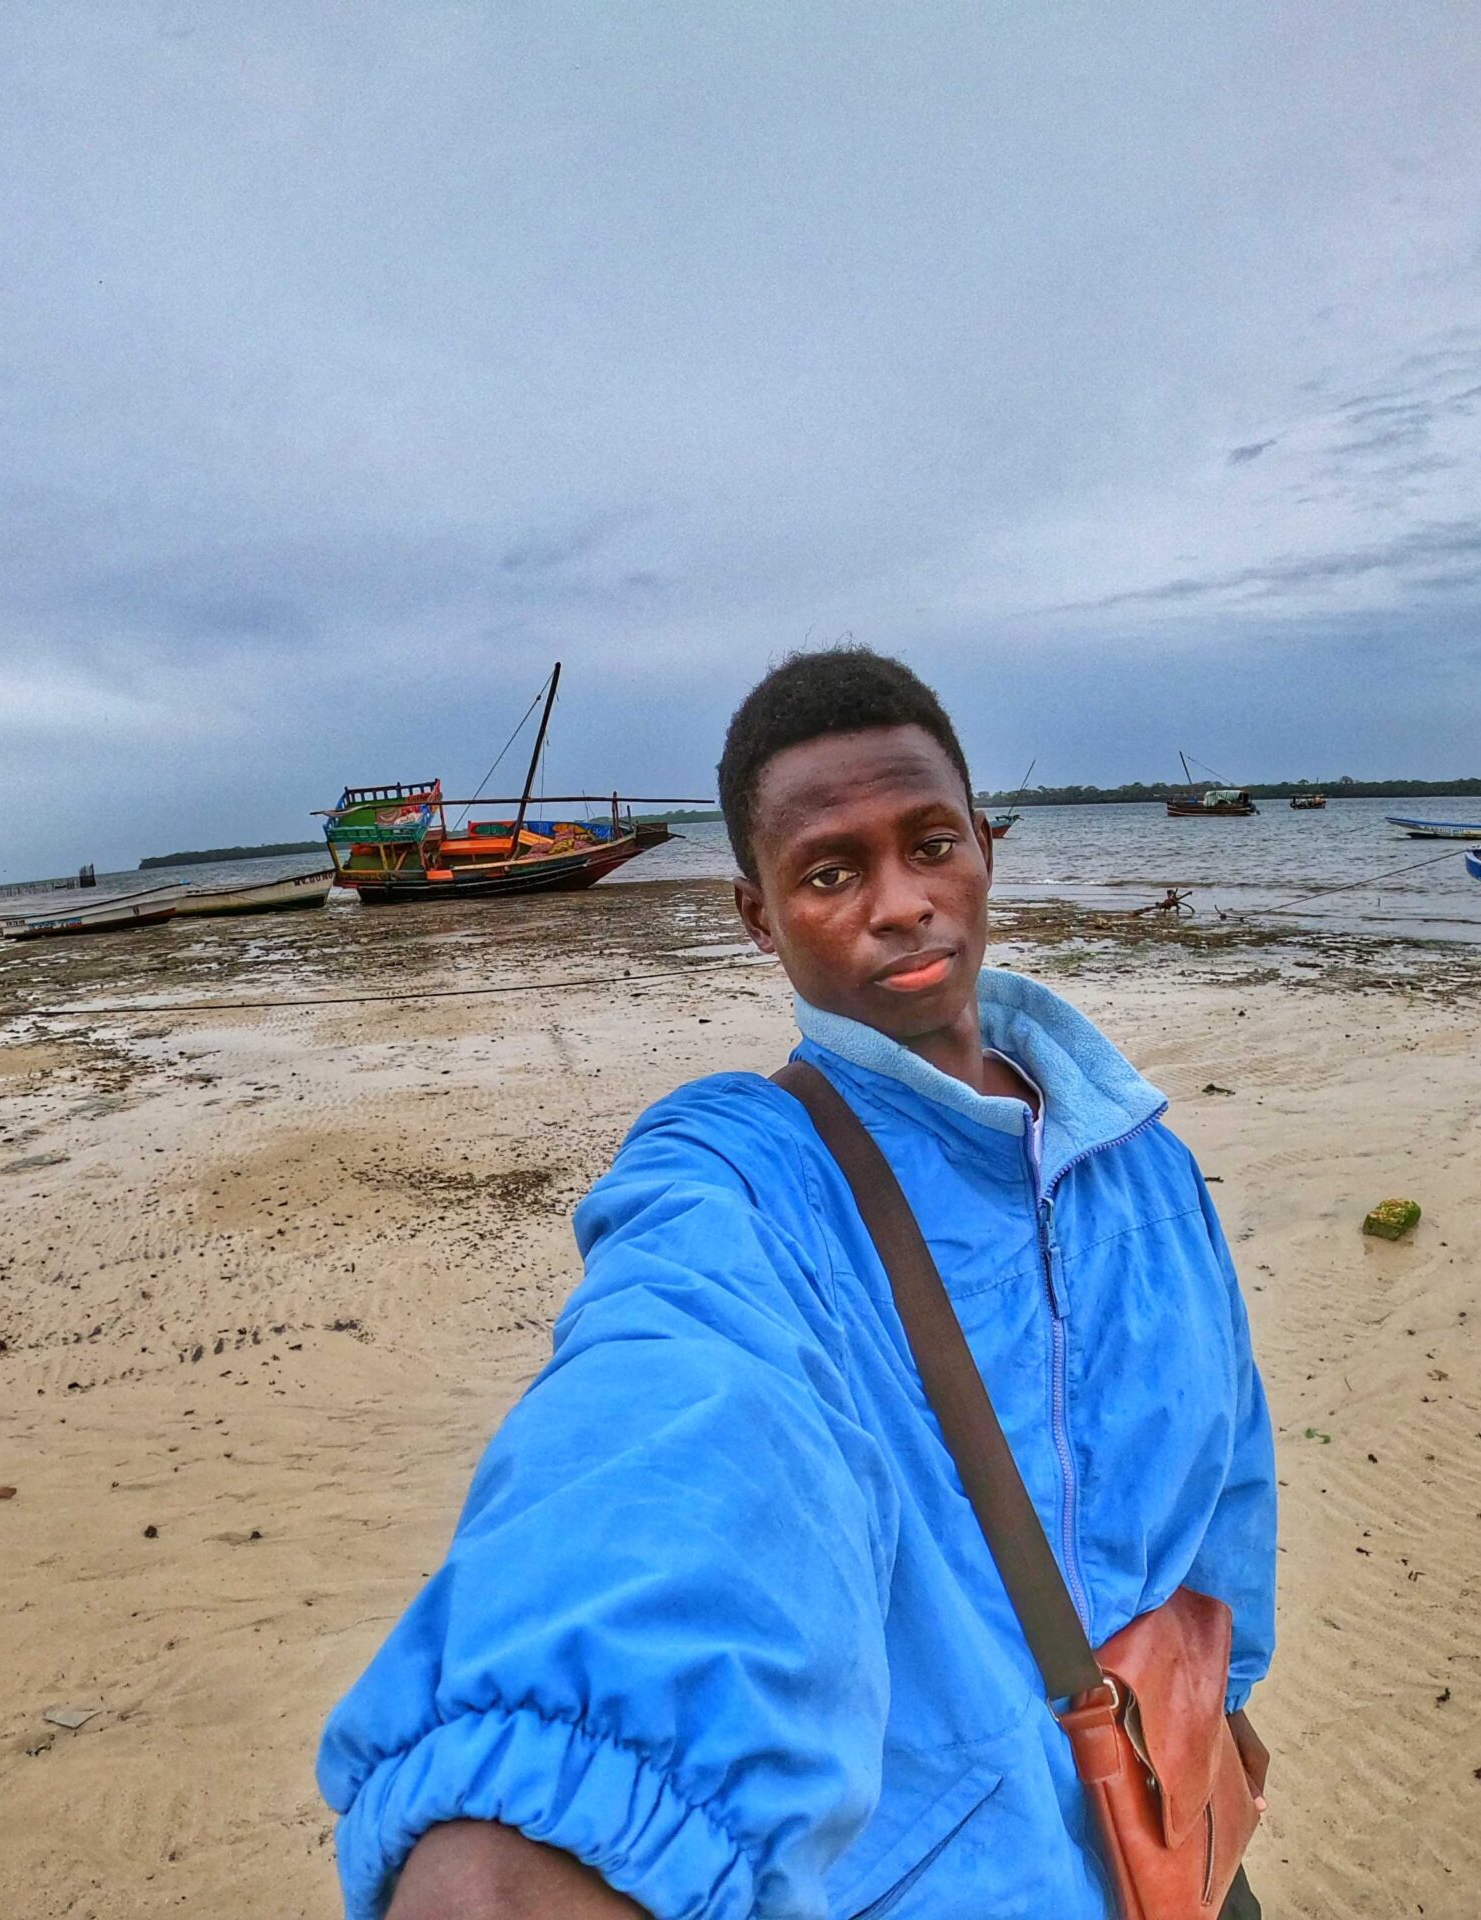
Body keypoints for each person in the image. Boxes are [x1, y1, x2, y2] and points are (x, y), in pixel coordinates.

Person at [318, 647, 1277, 1918]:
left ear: (985, 846)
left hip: (1173, 1839)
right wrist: (541, 1823)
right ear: (757, 917)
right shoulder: (743, 1177)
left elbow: (1230, 1504)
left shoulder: (1146, 1164)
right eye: (832, 871)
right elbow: (677, 1417)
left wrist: (1210, 1719)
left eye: (930, 843)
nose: (899, 902)